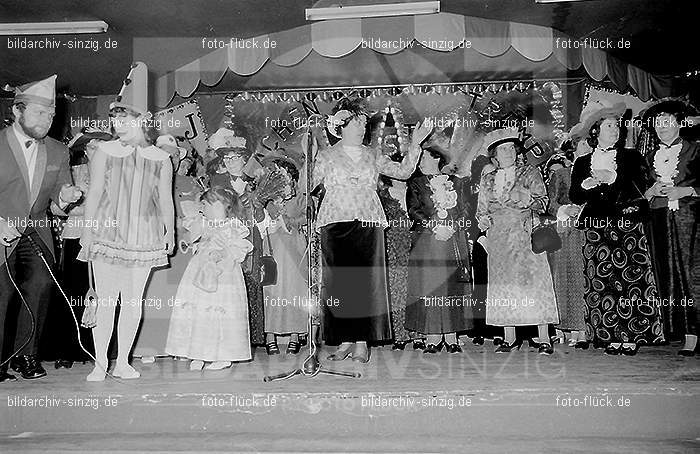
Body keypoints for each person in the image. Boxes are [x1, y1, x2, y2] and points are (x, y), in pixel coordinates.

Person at [312, 98, 431, 363]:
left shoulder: (373, 154)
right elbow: (308, 185)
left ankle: (362, 342)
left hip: (368, 221)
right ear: (341, 126)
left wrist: (415, 144)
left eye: (364, 124)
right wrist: (307, 156)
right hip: (334, 221)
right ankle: (342, 340)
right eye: (356, 123)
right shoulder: (327, 156)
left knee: (366, 281)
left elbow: (403, 171)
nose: (361, 129)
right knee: (339, 283)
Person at [78, 62, 175, 381]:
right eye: (115, 118)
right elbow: (93, 193)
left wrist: (170, 230)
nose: (118, 123)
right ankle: (100, 364)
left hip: (144, 236)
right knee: (107, 301)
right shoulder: (104, 150)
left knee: (133, 302)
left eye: (125, 118)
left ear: (142, 120)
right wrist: (88, 231)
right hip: (107, 232)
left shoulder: (161, 158)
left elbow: (164, 199)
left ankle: (123, 362)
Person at [0, 75, 82, 382]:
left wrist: (66, 196)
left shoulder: (59, 151)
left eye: (50, 114)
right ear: (17, 112)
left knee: (41, 285)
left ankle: (26, 356)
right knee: (2, 291)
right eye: (39, 112)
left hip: (35, 229)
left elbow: (58, 202)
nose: (47, 119)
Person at [569, 100, 664, 356]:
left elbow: (639, 187)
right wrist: (587, 184)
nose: (614, 130)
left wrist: (612, 178)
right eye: (609, 126)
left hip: (627, 225)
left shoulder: (631, 157)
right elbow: (574, 195)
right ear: (596, 131)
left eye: (616, 126)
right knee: (602, 281)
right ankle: (609, 334)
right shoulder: (581, 162)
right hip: (596, 227)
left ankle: (632, 334)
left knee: (631, 278)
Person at [476, 128, 559, 355]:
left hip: (524, 235)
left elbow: (543, 202)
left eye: (512, 148)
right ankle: (508, 337)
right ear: (494, 154)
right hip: (500, 237)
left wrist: (525, 198)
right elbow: (481, 210)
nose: (509, 152)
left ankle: (543, 338)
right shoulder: (488, 178)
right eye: (503, 149)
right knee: (504, 287)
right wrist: (482, 221)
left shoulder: (530, 172)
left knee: (535, 284)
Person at [39, 128, 113, 369]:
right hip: (76, 238)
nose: (95, 150)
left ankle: (98, 350)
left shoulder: (118, 174)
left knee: (105, 295)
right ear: (84, 150)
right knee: (72, 292)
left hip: (107, 240)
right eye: (90, 146)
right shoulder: (74, 173)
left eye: (100, 146)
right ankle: (66, 350)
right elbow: (56, 209)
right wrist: (75, 203)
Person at [165, 187, 253, 370]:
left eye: (210, 204)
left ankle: (223, 355)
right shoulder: (203, 223)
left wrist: (223, 253)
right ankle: (199, 353)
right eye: (204, 204)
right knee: (199, 311)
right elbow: (190, 236)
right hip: (200, 270)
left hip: (224, 273)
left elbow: (240, 248)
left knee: (220, 312)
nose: (205, 208)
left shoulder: (233, 226)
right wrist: (191, 242)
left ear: (224, 206)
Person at [639, 99, 700, 356]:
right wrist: (649, 192)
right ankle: (672, 330)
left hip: (689, 222)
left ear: (678, 124)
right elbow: (637, 194)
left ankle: (693, 334)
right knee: (665, 274)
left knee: (691, 274)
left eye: (667, 121)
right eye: (657, 123)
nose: (661, 126)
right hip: (659, 221)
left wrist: (684, 190)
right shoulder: (648, 157)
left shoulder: (695, 151)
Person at [404, 148, 473, 353]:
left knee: (451, 287)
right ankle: (432, 338)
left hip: (452, 240)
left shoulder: (456, 182)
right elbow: (414, 210)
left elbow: (465, 209)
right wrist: (434, 226)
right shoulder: (415, 183)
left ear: (436, 158)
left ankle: (452, 337)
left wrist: (452, 227)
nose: (420, 161)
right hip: (428, 241)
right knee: (431, 287)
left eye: (423, 157)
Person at [206, 128, 266, 347]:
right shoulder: (217, 182)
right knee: (228, 288)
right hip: (225, 242)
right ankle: (227, 338)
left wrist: (256, 204)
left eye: (235, 157)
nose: (230, 162)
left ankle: (251, 338)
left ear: (245, 159)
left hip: (251, 239)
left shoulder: (257, 183)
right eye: (226, 157)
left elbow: (261, 218)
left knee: (250, 284)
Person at [258, 152, 309, 355]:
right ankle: (270, 336)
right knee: (270, 290)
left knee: (294, 290)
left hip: (294, 248)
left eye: (283, 171)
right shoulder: (265, 198)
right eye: (275, 171)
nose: (280, 174)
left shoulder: (299, 197)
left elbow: (308, 216)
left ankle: (296, 335)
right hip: (271, 247)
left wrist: (290, 221)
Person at [546, 138, 590, 348]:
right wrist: (565, 210)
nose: (587, 148)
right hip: (567, 231)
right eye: (582, 145)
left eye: (589, 145)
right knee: (568, 277)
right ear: (572, 151)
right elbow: (550, 202)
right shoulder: (561, 174)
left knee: (587, 278)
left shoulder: (599, 171)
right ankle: (570, 327)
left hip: (591, 229)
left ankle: (585, 329)